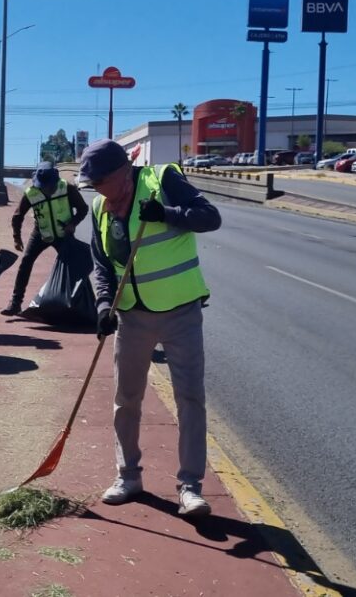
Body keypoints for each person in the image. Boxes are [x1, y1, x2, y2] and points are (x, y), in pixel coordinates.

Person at [79, 139, 221, 517]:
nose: (97, 191)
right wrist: (104, 304)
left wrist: (167, 213)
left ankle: (190, 487)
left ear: (123, 172)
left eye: (100, 182)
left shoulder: (164, 180)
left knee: (190, 399)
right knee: (127, 400)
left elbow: (210, 217)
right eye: (92, 184)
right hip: (132, 317)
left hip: (181, 312)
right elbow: (102, 265)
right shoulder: (99, 207)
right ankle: (128, 475)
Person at [0, 161, 90, 316]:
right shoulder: (31, 193)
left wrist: (73, 223)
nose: (47, 189)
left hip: (64, 234)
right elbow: (17, 216)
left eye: (50, 186)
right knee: (26, 262)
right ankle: (15, 302)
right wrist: (17, 238)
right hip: (41, 233)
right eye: (44, 186)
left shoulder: (67, 188)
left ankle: (78, 304)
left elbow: (83, 209)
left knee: (73, 267)